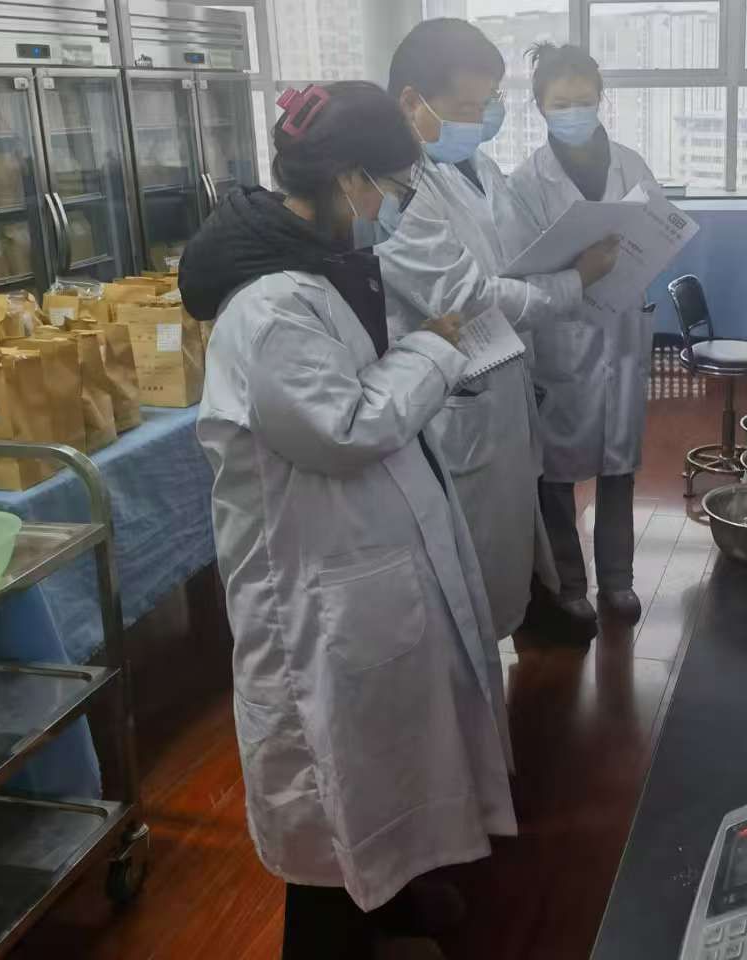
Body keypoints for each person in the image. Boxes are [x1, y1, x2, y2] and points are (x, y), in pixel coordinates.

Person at [180, 81, 515, 960]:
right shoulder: (269, 308)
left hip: (364, 561)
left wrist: (425, 349)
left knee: (384, 755)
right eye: (390, 190)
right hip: (316, 589)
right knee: (333, 783)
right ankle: (332, 941)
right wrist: (436, 346)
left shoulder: (315, 270)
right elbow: (345, 428)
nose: (389, 209)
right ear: (350, 178)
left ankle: (394, 902)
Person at [376, 18, 621, 641]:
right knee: (465, 579)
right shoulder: (395, 192)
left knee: (513, 526)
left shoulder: (478, 166)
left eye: (487, 102)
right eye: (467, 107)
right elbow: (467, 296)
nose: (482, 117)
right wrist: (575, 281)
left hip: (506, 378)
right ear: (412, 102)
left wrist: (564, 263)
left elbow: (514, 257)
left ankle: (530, 612)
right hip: (456, 396)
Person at [507, 43, 659, 627]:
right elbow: (520, 269)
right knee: (555, 476)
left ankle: (618, 581)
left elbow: (657, 230)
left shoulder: (630, 165)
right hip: (560, 338)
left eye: (584, 100)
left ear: (601, 99)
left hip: (619, 330)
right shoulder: (526, 182)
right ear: (540, 106)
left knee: (619, 468)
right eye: (561, 103)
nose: (574, 111)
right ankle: (569, 585)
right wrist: (579, 272)